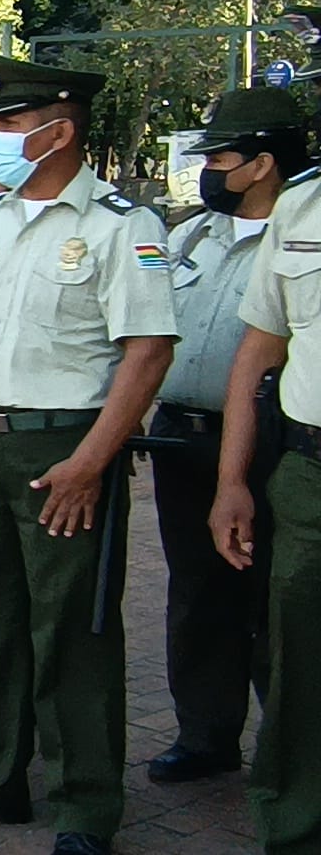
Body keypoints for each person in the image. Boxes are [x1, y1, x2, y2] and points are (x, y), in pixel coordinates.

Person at [0, 57, 177, 855]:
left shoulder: (121, 227)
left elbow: (148, 353)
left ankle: (86, 804)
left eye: (9, 122)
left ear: (60, 130)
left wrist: (93, 461)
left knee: (72, 629)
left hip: (68, 448)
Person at [143, 88, 305, 786]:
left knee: (276, 596)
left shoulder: (300, 235)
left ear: (263, 163)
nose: (209, 169)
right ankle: (205, 735)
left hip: (273, 441)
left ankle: (288, 748)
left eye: (223, 157)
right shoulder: (189, 237)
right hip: (183, 437)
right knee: (198, 590)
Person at [212, 99, 321, 855]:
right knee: (300, 658)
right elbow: (258, 351)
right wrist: (232, 481)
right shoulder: (302, 207)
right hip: (310, 474)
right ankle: (295, 825)